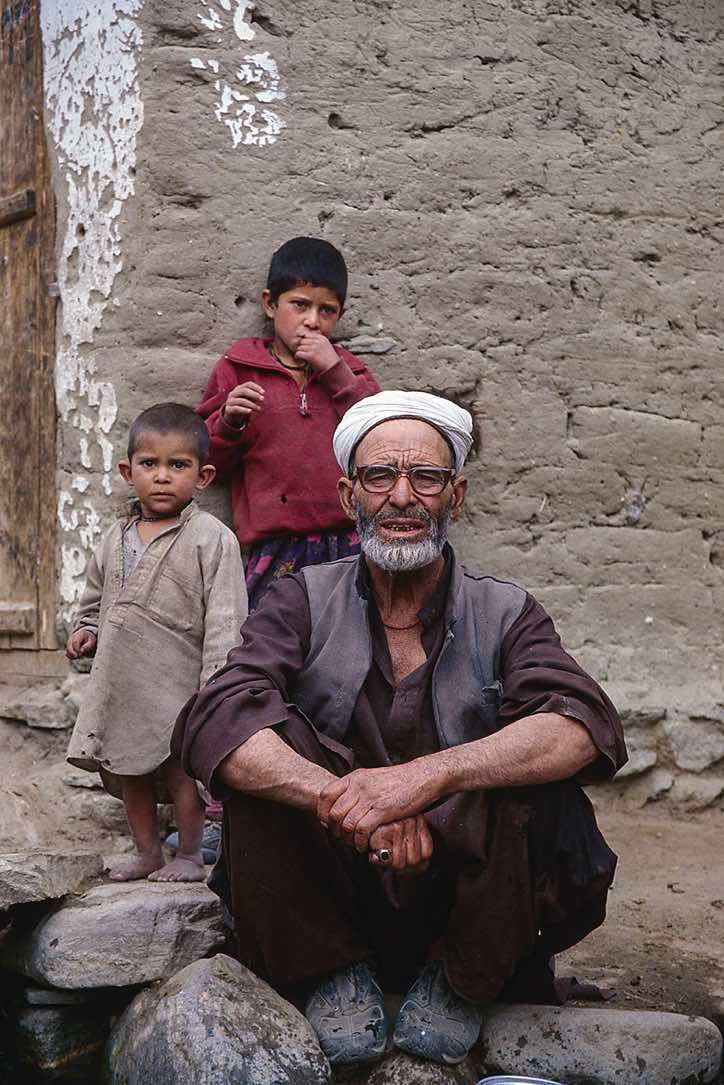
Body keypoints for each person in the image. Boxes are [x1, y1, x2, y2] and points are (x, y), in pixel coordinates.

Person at [173, 391, 627, 1066]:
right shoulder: (301, 598)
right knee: (261, 746)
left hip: (469, 897)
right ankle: (330, 969)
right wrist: (345, 799)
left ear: (457, 495)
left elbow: (582, 723)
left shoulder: (505, 612)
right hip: (336, 879)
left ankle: (463, 980)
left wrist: (425, 781)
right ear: (349, 492)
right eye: (381, 476)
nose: (402, 496)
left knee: (527, 759)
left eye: (427, 477)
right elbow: (218, 713)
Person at [66, 403, 247, 882]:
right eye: (150, 464)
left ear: (204, 476)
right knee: (129, 771)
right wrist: (86, 630)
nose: (162, 477)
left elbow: (228, 617)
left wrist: (216, 684)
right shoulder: (113, 538)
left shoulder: (212, 538)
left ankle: (188, 855)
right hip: (122, 684)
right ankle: (147, 852)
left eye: (178, 465)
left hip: (182, 682)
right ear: (129, 472)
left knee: (181, 772)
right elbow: (93, 601)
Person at [196, 236, 380, 609]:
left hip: (348, 541)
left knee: (349, 637)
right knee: (271, 641)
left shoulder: (353, 373)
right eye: (299, 305)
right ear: (270, 303)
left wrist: (335, 373)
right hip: (274, 545)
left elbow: (379, 437)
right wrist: (230, 421)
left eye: (326, 310)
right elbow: (207, 461)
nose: (312, 321)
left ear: (340, 316)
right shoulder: (238, 369)